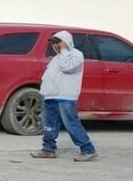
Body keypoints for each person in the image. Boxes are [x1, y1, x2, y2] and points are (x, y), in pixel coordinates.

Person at [32, 30, 98, 162]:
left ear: (66, 42)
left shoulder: (76, 55)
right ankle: (48, 149)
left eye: (58, 42)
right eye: (53, 43)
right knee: (49, 124)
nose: (55, 45)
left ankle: (87, 149)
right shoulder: (57, 58)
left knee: (71, 124)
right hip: (51, 96)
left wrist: (64, 50)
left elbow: (68, 67)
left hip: (65, 96)